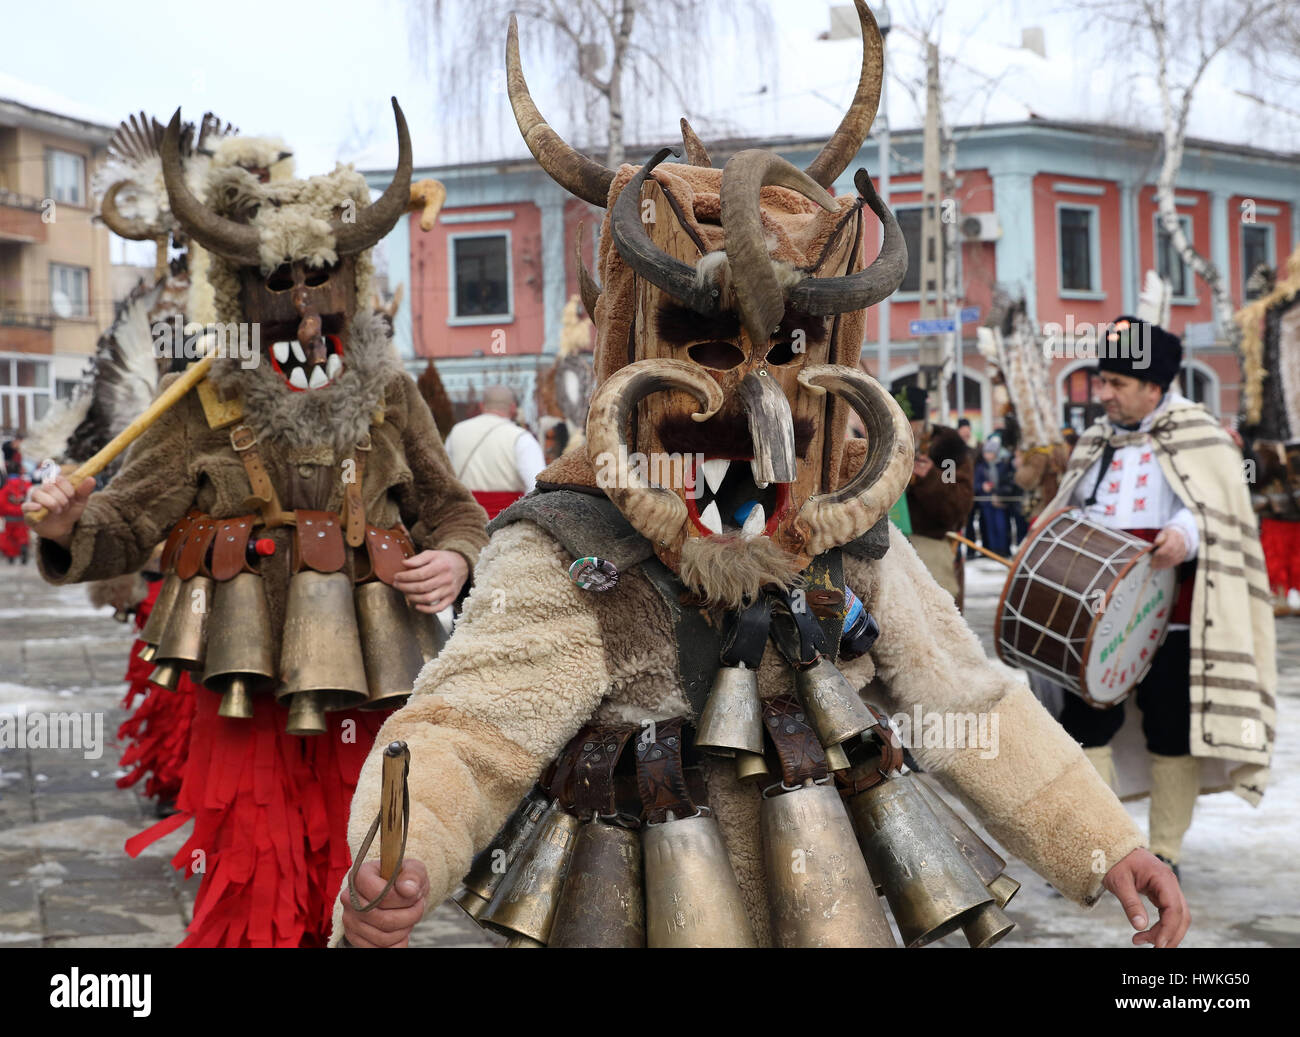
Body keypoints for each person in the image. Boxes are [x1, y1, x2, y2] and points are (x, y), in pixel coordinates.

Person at [333, 7, 1186, 951]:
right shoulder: (579, 545)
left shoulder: (844, 532)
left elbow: (962, 701)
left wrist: (1103, 842)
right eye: (703, 343)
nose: (743, 391)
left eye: (782, 348)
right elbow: (470, 727)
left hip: (831, 911)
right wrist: (399, 850)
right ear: (635, 347)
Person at [25, 101, 490, 947]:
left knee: (370, 874)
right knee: (255, 882)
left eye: (322, 278)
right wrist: (67, 526)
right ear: (239, 293)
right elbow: (126, 524)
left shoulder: (391, 397)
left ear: (353, 284)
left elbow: (453, 508)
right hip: (245, 695)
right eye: (279, 284)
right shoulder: (199, 404)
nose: (305, 309)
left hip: (371, 681)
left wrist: (456, 558)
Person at [1042, 315, 1275, 877]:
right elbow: (1070, 508)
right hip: (1095, 614)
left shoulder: (1200, 436)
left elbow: (1217, 516)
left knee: (1170, 729)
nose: (1104, 394)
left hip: (1171, 614)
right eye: (1102, 382)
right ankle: (1108, 846)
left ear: (1154, 387)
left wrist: (1185, 535)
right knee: (1084, 726)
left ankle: (1166, 849)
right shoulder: (1094, 441)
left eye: (1116, 385)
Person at [898, 385, 975, 605]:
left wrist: (931, 476)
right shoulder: (880, 440)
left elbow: (957, 504)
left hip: (930, 539)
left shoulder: (948, 452)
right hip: (887, 539)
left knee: (936, 601)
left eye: (909, 425)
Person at [445, 385, 546, 519]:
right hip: (505, 524)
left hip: (464, 520)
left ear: (481, 406)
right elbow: (536, 485)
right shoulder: (521, 438)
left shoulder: (457, 431)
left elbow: (445, 474)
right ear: (512, 407)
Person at [973, 436, 1010, 557]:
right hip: (986, 502)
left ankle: (1002, 549)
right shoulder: (980, 467)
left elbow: (1007, 483)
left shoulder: (1002, 466)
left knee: (1001, 526)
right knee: (989, 527)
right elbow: (975, 484)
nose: (987, 455)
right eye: (986, 452)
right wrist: (982, 487)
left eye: (990, 452)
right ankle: (992, 551)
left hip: (1000, 501)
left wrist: (997, 491)